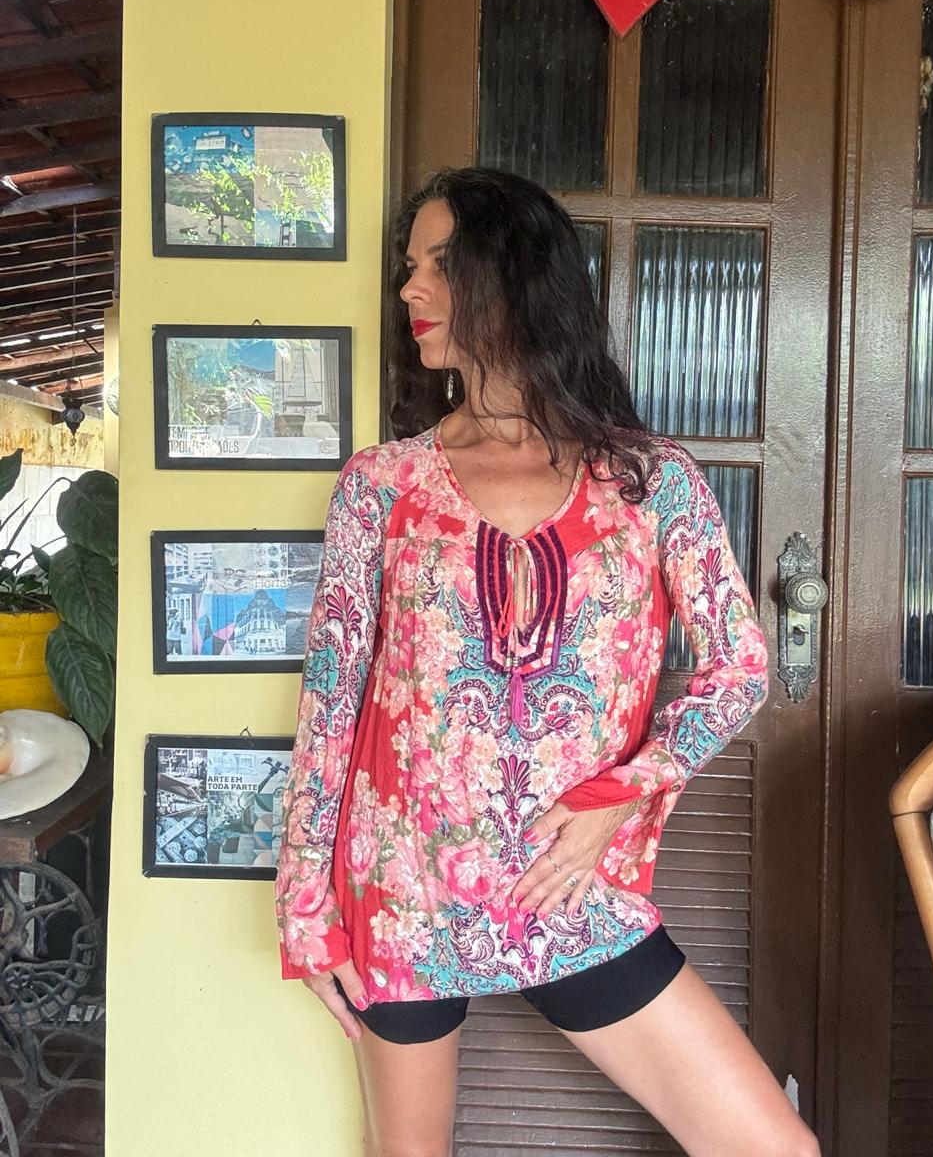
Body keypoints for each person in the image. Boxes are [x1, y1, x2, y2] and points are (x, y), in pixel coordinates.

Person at [274, 167, 820, 1157]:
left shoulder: (649, 480)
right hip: (402, 891)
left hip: (570, 892)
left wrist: (621, 796)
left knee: (772, 1146)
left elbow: (738, 667)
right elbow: (331, 704)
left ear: (515, 275)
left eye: (438, 264)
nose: (409, 290)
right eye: (409, 267)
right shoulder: (381, 484)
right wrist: (306, 906)